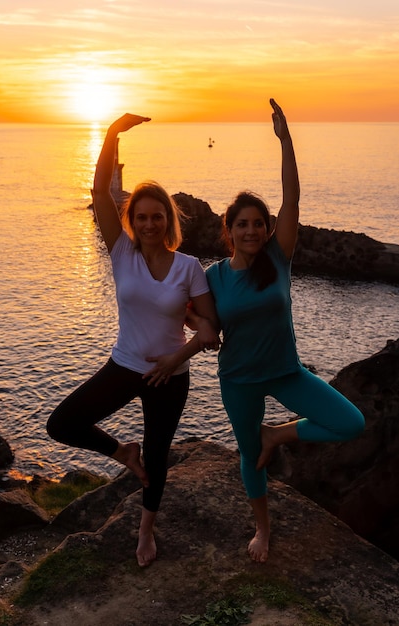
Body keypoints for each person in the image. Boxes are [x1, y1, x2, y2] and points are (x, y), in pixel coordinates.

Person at [193, 99, 365, 563]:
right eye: (241, 225)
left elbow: (293, 196)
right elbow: (187, 312)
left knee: (350, 422)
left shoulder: (278, 257)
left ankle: (278, 435)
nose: (251, 230)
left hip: (285, 370)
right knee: (251, 457)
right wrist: (204, 328)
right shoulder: (212, 277)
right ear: (229, 230)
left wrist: (285, 139)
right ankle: (262, 530)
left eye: (258, 224)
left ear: (267, 229)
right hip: (240, 378)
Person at [47, 113, 219, 568]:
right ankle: (122, 451)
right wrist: (109, 134)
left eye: (156, 216)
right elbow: (101, 189)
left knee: (158, 455)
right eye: (140, 217)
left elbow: (209, 331)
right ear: (132, 220)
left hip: (170, 376)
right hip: (124, 365)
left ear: (168, 220)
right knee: (62, 424)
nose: (148, 224)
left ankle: (146, 531)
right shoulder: (121, 251)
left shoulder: (189, 267)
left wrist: (174, 359)